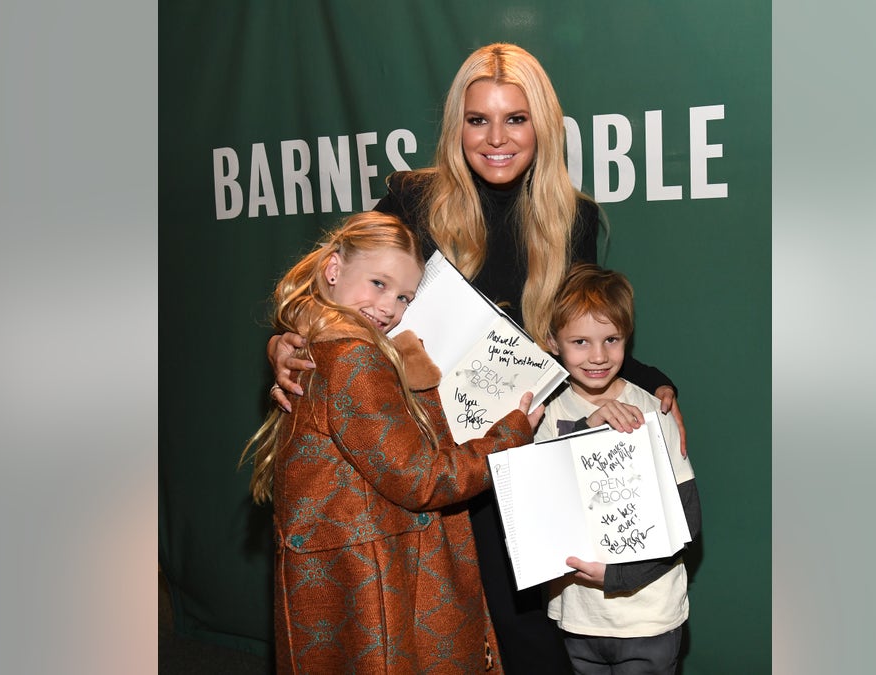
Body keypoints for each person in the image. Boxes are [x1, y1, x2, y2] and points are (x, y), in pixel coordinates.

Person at [268, 43, 686, 673]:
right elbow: (346, 285)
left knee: (535, 642)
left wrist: (651, 382)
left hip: (526, 448)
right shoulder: (412, 199)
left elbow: (583, 328)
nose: (496, 138)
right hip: (429, 457)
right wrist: (286, 336)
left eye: (515, 118)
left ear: (541, 126)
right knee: (446, 642)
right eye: (477, 119)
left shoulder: (573, 218)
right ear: (455, 126)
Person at [241, 211, 543, 674]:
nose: (389, 307)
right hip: (372, 581)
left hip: (349, 572)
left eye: (404, 296)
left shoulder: (327, 341)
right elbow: (423, 480)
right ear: (334, 269)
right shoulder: (352, 356)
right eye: (378, 284)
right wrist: (512, 434)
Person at [535, 264, 702, 675]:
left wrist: (620, 573)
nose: (598, 356)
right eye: (580, 341)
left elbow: (687, 518)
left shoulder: (650, 408)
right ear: (553, 342)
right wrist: (586, 432)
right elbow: (535, 503)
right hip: (577, 617)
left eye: (611, 339)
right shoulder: (544, 414)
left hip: (648, 617)